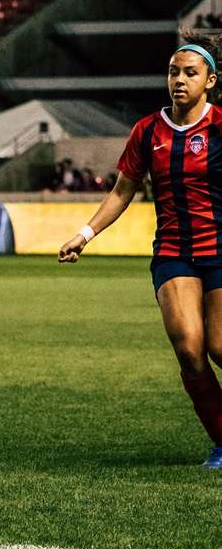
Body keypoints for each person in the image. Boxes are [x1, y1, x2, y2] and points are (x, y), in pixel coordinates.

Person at [59, 36, 222, 469]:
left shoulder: (221, 125)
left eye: (190, 73)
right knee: (189, 348)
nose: (180, 80)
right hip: (174, 254)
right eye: (174, 72)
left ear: (211, 80)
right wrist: (85, 233)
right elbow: (122, 191)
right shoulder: (148, 131)